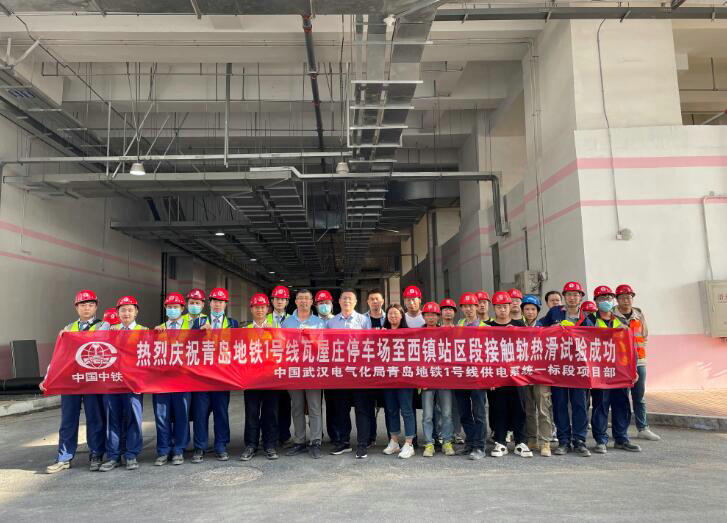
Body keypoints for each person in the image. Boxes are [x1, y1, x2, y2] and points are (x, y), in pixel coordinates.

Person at [44, 290, 107, 474]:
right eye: (82, 305)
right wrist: (48, 377)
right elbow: (59, 356)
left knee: (95, 419)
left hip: (93, 380)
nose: (86, 308)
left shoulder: (104, 326)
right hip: (71, 380)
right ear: (76, 307)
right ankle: (64, 457)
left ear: (96, 307)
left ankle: (96, 454)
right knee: (68, 420)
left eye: (90, 305)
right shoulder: (68, 328)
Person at [540, 281, 593, 457]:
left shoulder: (587, 318)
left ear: (581, 297)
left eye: (576, 295)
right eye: (569, 295)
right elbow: (539, 328)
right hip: (558, 367)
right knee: (560, 404)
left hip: (579, 369)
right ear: (564, 297)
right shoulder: (555, 312)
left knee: (580, 405)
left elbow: (593, 340)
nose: (572, 298)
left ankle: (580, 441)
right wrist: (551, 328)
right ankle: (563, 441)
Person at [590, 285, 641, 454]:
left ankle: (621, 438)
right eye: (602, 298)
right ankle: (601, 440)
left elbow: (631, 348)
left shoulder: (622, 322)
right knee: (601, 405)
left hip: (620, 371)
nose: (606, 301)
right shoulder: (589, 321)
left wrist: (633, 370)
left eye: (609, 298)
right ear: (596, 302)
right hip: (600, 372)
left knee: (621, 403)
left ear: (613, 301)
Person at [99, 296, 145, 472]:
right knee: (113, 419)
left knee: (133, 418)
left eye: (130, 310)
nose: (126, 313)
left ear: (136, 312)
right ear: (117, 313)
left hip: (134, 384)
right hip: (113, 382)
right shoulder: (111, 331)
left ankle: (131, 455)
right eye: (123, 310)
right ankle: (113, 456)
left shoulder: (144, 331)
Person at [191, 288, 237, 463]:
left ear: (226, 304)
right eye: (215, 301)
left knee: (221, 412)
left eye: (221, 302)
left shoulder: (232, 323)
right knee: (200, 413)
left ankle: (221, 445)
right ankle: (200, 447)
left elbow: (237, 347)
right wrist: (200, 333)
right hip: (202, 377)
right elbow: (189, 345)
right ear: (209, 303)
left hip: (222, 377)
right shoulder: (199, 322)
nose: (218, 304)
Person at [486, 291, 533, 458]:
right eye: (499, 307)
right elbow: (483, 353)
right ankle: (500, 442)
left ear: (510, 306)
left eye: (505, 306)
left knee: (520, 408)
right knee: (498, 409)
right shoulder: (488, 327)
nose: (502, 310)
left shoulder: (520, 325)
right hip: (497, 376)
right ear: (494, 308)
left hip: (517, 375)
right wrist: (489, 377)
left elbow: (529, 348)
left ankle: (521, 442)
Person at [282, 289, 327, 459]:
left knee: (315, 407)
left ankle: (315, 441)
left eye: (306, 299)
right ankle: (299, 441)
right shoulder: (287, 322)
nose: (303, 301)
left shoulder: (319, 323)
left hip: (313, 370)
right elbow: (282, 345)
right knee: (297, 407)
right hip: (294, 370)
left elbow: (325, 346)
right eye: (300, 298)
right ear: (295, 302)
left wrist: (312, 338)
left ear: (311, 302)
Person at [326, 289, 370, 458]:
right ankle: (344, 442)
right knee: (341, 409)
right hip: (340, 372)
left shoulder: (363, 320)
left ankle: (362, 444)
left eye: (350, 299)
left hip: (359, 372)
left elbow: (370, 344)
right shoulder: (331, 322)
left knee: (361, 409)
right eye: (344, 298)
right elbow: (327, 346)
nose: (347, 301)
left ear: (356, 302)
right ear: (338, 301)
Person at [613, 284, 660, 442]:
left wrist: (638, 353)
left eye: (628, 297)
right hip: (620, 363)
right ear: (617, 299)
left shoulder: (639, 315)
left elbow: (644, 335)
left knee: (639, 396)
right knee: (622, 397)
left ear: (632, 298)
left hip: (639, 361)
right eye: (622, 298)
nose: (626, 300)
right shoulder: (612, 315)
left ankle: (643, 428)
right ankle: (621, 430)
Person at [151, 292, 192, 466]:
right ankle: (163, 450)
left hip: (183, 379)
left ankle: (179, 450)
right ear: (165, 308)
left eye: (176, 307)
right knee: (162, 416)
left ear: (182, 309)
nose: (172, 309)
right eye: (169, 307)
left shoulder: (191, 328)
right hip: (162, 382)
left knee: (182, 416)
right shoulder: (159, 329)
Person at [241, 293, 279, 461]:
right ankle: (251, 445)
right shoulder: (244, 331)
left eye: (262, 307)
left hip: (271, 378)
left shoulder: (275, 328)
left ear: (267, 309)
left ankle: (270, 444)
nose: (259, 310)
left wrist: (275, 334)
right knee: (251, 413)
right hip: (251, 379)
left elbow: (284, 349)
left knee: (270, 413)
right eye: (256, 307)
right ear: (251, 309)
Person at [453, 292, 487, 460]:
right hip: (461, 376)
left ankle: (480, 447)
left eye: (471, 306)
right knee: (464, 412)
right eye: (465, 306)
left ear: (476, 307)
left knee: (479, 413)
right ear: (461, 308)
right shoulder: (458, 325)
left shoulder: (485, 327)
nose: (468, 309)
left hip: (478, 376)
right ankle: (470, 443)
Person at [520, 295, 554, 457]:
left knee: (543, 407)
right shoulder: (517, 327)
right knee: (528, 408)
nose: (530, 312)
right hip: (524, 374)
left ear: (538, 311)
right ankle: (532, 439)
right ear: (522, 311)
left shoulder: (544, 327)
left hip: (541, 374)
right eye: (527, 309)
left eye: (533, 309)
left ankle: (545, 441)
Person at [381, 304, 416, 459]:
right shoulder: (382, 333)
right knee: (391, 410)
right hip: (388, 377)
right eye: (390, 314)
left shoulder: (409, 333)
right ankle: (394, 441)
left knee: (406, 410)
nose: (393, 316)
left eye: (396, 313)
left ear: (402, 316)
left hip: (404, 377)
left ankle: (409, 443)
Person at [420, 302, 455, 457]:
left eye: (434, 315)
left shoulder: (445, 332)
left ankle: (447, 442)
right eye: (428, 315)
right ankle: (429, 443)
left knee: (446, 413)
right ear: (424, 316)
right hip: (426, 379)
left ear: (438, 317)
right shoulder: (417, 333)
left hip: (444, 378)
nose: (431, 317)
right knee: (427, 415)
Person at [268, 285, 293, 447]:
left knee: (285, 403)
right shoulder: (265, 319)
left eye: (283, 299)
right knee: (271, 405)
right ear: (272, 301)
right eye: (277, 299)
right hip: (269, 368)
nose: (279, 302)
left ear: (287, 301)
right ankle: (271, 435)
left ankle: (284, 435)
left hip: (288, 367)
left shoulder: (293, 319)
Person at [363, 289, 386, 448]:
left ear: (382, 301)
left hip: (386, 368)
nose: (375, 301)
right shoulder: (362, 319)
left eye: (377, 299)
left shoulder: (390, 317)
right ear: (368, 302)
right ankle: (370, 436)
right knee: (368, 405)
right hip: (368, 368)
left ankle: (392, 438)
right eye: (372, 299)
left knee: (390, 406)